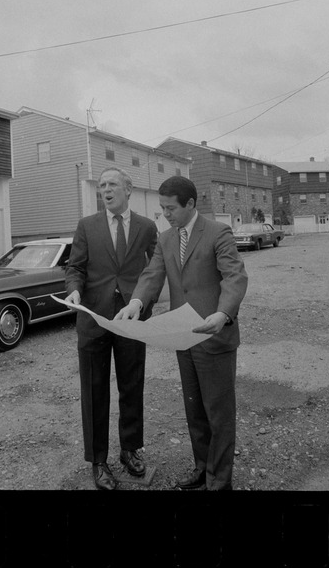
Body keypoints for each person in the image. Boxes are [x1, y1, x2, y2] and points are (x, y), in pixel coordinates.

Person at [116, 176, 248, 491]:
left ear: (190, 204)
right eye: (161, 208)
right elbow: (152, 274)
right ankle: (202, 469)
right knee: (195, 410)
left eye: (170, 208)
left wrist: (222, 313)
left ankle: (219, 481)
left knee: (219, 415)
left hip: (214, 337)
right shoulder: (166, 239)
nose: (165, 214)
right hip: (183, 338)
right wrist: (136, 302)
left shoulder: (218, 232)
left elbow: (235, 277)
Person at [65, 167, 159, 490]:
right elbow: (75, 267)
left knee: (132, 385)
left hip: (132, 320)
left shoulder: (147, 227)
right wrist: (74, 289)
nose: (106, 190)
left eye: (112, 185)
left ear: (128, 189)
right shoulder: (86, 226)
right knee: (94, 390)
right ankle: (99, 461)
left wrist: (144, 303)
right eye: (102, 185)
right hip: (93, 318)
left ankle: (130, 450)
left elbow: (155, 271)